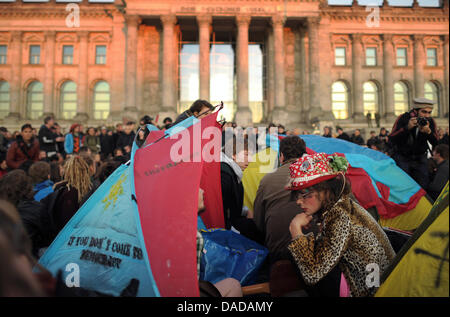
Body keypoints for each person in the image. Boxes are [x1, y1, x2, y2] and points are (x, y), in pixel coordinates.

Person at [285, 153, 395, 297]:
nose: (299, 201)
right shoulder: (340, 206)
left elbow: (312, 274)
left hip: (370, 290)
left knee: (297, 256)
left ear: (326, 190)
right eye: (297, 195)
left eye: (305, 193)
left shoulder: (339, 216)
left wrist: (296, 230)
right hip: (372, 282)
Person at [253, 135, 308, 264]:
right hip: (313, 248)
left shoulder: (267, 180)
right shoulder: (315, 177)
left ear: (281, 156)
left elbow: (259, 221)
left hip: (279, 251)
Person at [389, 97, 439, 189]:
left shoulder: (430, 121)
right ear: (416, 111)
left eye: (429, 112)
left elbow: (436, 142)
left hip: (420, 158)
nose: (427, 115)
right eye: (424, 112)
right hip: (403, 157)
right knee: (404, 185)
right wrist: (406, 128)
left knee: (423, 185)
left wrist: (428, 132)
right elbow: (392, 138)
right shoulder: (403, 118)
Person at [221, 136, 262, 244]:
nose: (250, 159)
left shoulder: (232, 172)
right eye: (246, 154)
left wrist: (245, 210)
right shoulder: (224, 175)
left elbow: (232, 202)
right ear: (233, 155)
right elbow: (223, 208)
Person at [0, 170, 48, 257]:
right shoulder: (36, 208)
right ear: (28, 187)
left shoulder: (4, 210)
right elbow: (48, 236)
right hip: (30, 258)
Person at [51, 156, 92, 234]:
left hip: (65, 235)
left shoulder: (63, 190)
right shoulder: (91, 189)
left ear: (67, 171)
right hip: (85, 233)